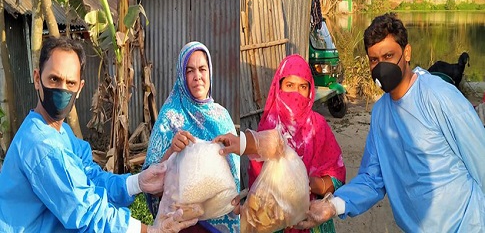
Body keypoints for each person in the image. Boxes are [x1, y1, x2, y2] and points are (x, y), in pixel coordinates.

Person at [297, 13, 485, 232]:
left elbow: (480, 158)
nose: (380, 66)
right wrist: (332, 206)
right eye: (374, 60)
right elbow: (372, 179)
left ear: (406, 53)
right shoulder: (380, 114)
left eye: (388, 56)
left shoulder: (439, 97)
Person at [0, 37, 200, 232]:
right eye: (54, 79)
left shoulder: (60, 132)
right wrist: (149, 230)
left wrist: (137, 182)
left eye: (70, 83)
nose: (62, 89)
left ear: (80, 88)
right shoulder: (40, 145)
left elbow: (90, 176)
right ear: (37, 79)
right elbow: (84, 210)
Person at [143, 41, 240, 233]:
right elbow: (150, 182)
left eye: (202, 69)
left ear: (210, 72)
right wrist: (172, 150)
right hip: (183, 224)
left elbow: (234, 175)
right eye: (190, 71)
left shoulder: (222, 116)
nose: (197, 77)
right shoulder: (170, 116)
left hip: (220, 222)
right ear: (181, 76)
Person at [247, 54, 346, 233]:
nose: (296, 94)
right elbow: (257, 184)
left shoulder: (318, 126)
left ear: (310, 91)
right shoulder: (267, 129)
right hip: (274, 224)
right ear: (279, 87)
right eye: (289, 86)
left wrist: (316, 184)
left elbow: (337, 176)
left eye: (302, 87)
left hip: (311, 220)